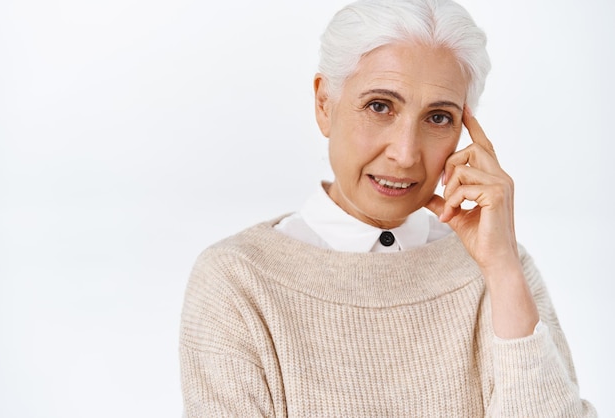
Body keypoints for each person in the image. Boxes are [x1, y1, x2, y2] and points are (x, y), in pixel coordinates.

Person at [179, 0, 597, 416]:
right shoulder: (239, 279)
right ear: (325, 105)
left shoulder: (503, 270)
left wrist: (503, 270)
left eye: (437, 118)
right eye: (380, 106)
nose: (405, 153)